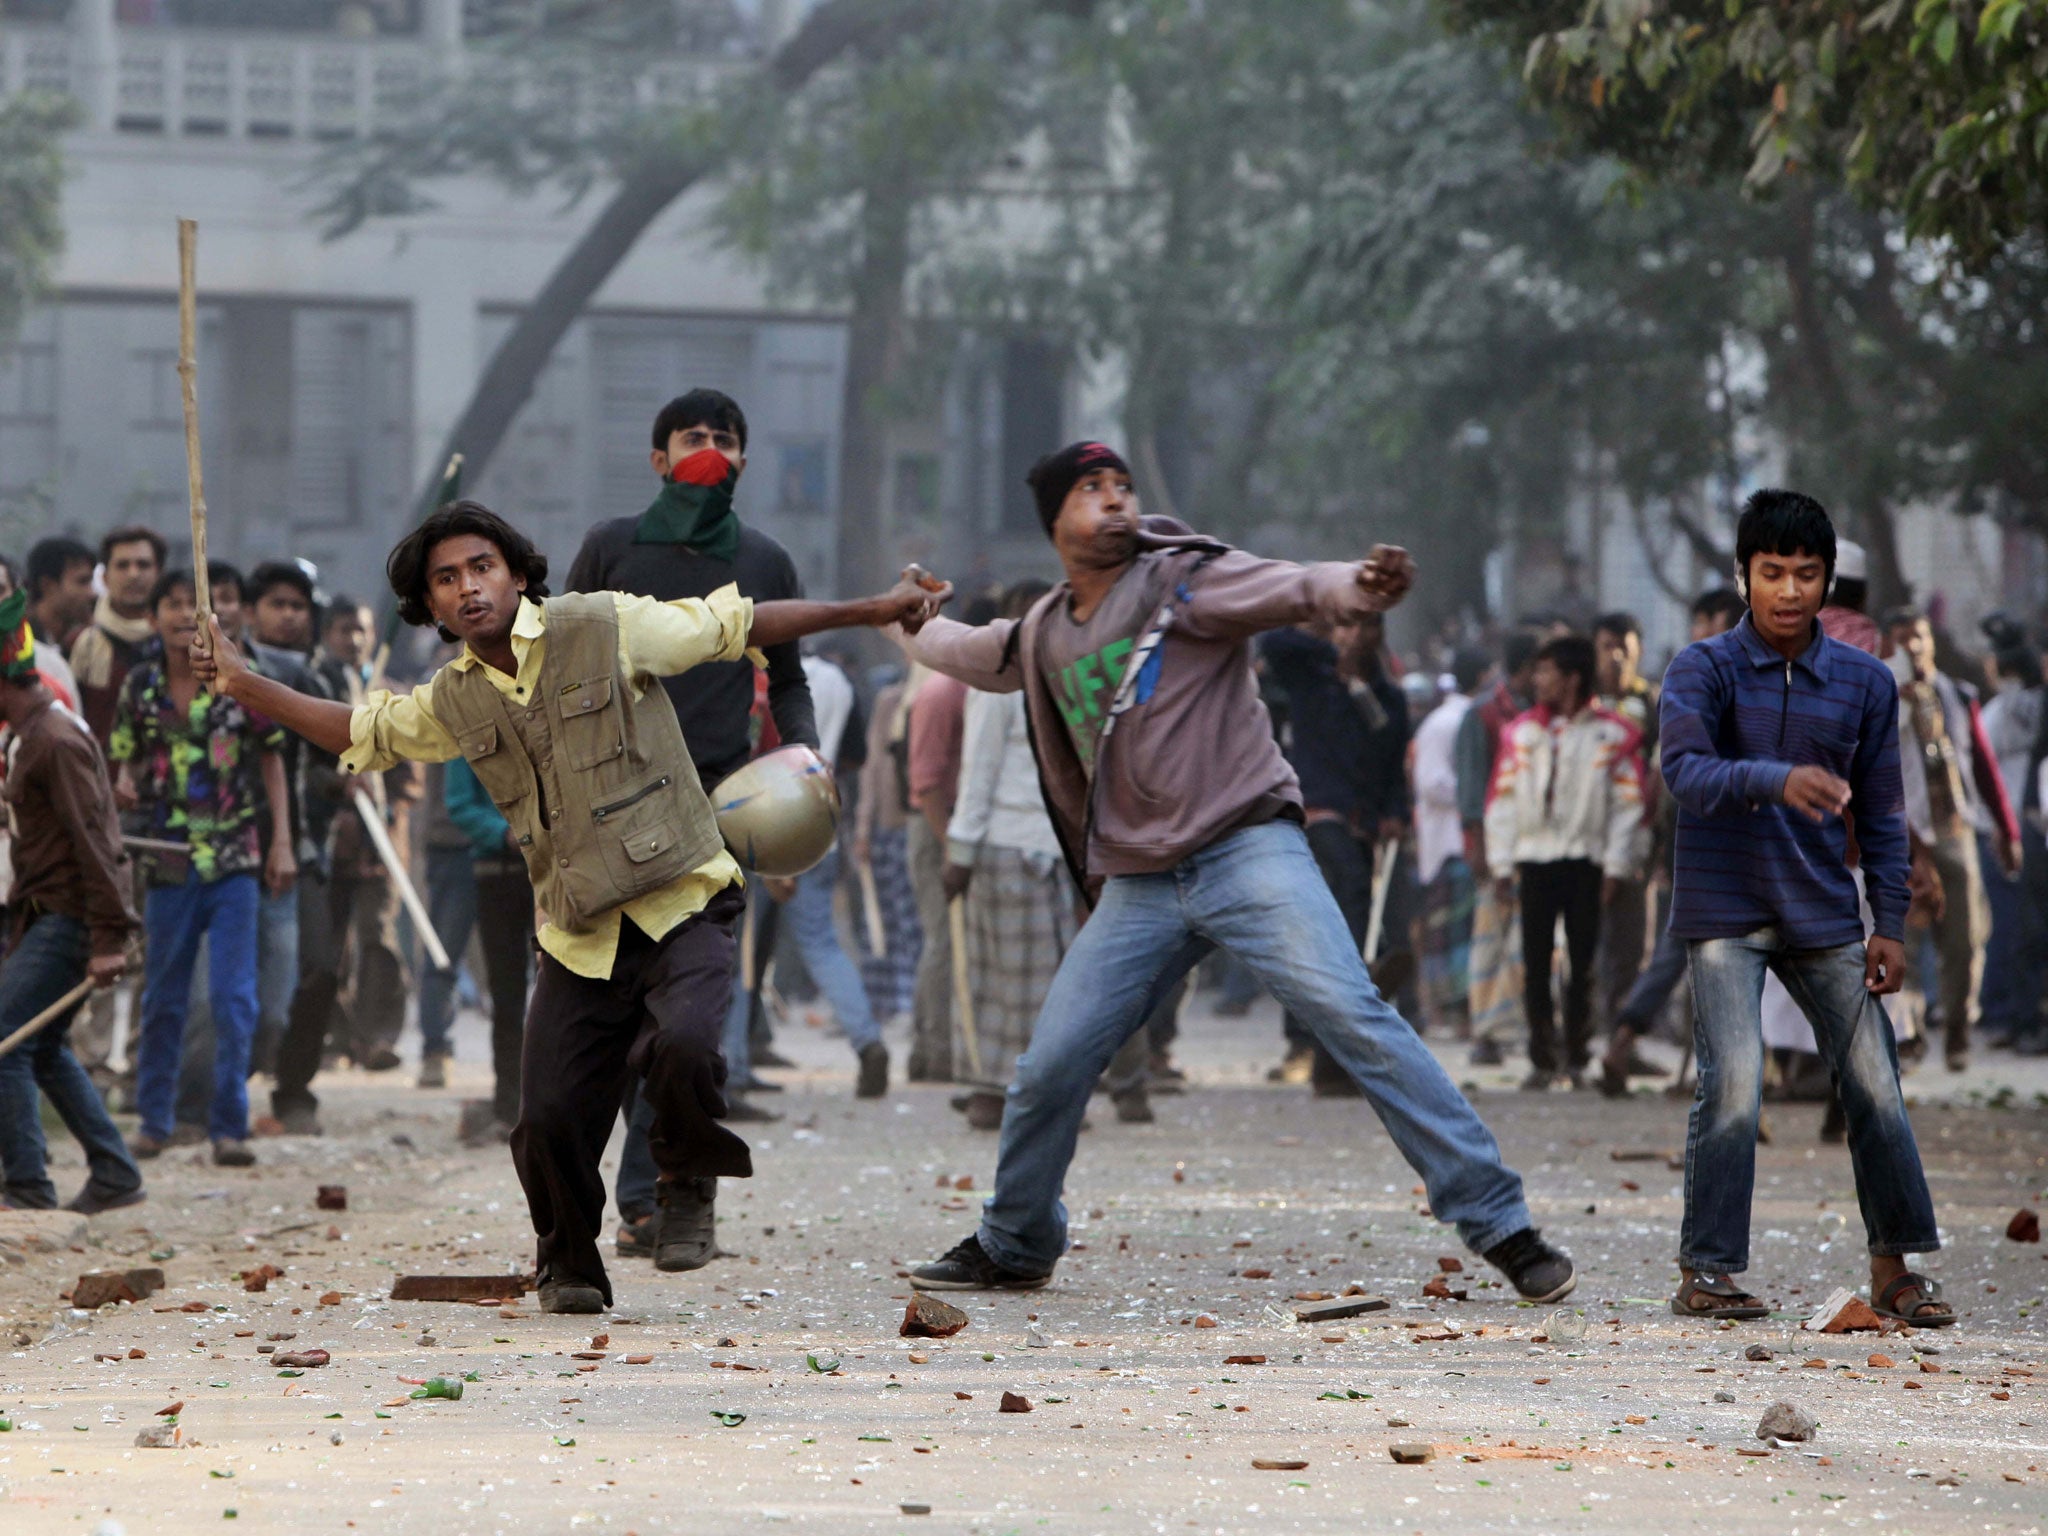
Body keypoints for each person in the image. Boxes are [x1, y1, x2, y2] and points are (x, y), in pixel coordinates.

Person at [190, 500, 946, 1312]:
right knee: (547, 1117)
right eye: (446, 580)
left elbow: (738, 623)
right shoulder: (452, 698)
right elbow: (358, 732)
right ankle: (570, 1262)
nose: (468, 588)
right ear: (431, 606)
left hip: (684, 893)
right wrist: (242, 682)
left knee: (687, 1045)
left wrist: (873, 610)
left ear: (517, 574)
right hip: (579, 929)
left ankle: (685, 1178)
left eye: (482, 567)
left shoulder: (605, 625)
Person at [894, 441, 1574, 1303]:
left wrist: (1357, 588)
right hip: (1141, 883)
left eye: (1123, 487)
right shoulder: (1041, 635)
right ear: (1054, 521)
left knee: (1353, 1014)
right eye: (1091, 490)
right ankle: (1018, 1239)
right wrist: (910, 619)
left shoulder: (1186, 583)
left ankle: (1501, 1224)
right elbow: (967, 648)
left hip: (1247, 847)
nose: (1114, 501)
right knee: (1050, 1066)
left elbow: (1291, 586)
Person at [1660, 489, 1948, 1326]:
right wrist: (1775, 780)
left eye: (1806, 575)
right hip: (1723, 910)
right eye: (1771, 572)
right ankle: (1707, 1271)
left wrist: (1888, 920)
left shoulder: (1865, 682)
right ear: (1743, 575)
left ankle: (1895, 1269)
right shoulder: (1700, 669)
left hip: (1824, 909)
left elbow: (1885, 814)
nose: (1788, 592)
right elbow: (1686, 773)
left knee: (1874, 1082)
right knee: (1736, 1083)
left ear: (1829, 583)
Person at [565, 388, 821, 1252]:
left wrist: (808, 763)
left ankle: (675, 1193)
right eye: (691, 436)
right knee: (618, 1008)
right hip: (607, 807)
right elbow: (556, 666)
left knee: (692, 1018)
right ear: (658, 460)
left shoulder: (766, 559)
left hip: (716, 809)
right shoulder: (609, 547)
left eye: (723, 438)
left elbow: (788, 680)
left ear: (743, 461)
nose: (708, 447)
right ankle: (632, 1195)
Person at [110, 570, 295, 1168]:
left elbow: (272, 765)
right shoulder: (139, 687)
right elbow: (121, 766)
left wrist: (282, 843)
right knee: (163, 996)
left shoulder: (237, 682)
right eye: (170, 603)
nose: (180, 613)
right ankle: (156, 1121)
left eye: (193, 603)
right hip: (167, 859)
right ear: (153, 616)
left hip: (234, 857)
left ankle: (228, 1126)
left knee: (233, 997)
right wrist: (126, 786)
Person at [0, 590, 146, 1215]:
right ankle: (114, 1172)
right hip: (48, 915)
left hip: (68, 919)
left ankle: (28, 1187)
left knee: (5, 1040)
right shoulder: (33, 737)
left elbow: (96, 841)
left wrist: (110, 935)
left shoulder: (54, 740)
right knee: (46, 1046)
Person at [718, 648, 890, 1095]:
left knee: (741, 949)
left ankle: (733, 1061)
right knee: (820, 943)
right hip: (818, 820)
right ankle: (866, 1038)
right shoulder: (837, 681)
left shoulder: (761, 683)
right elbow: (854, 755)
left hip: (766, 824)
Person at [1484, 634, 1648, 1090]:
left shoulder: (1612, 735)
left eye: (1547, 671)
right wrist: (1501, 864)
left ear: (1572, 678)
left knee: (1584, 961)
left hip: (1585, 861)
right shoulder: (1521, 733)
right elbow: (1502, 799)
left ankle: (1575, 1051)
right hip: (1534, 859)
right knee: (1535, 961)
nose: (1538, 679)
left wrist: (1615, 865)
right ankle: (1542, 1054)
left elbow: (1627, 807)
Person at [1260, 608, 1414, 1093]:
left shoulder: (1388, 698)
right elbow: (1273, 643)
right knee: (1345, 903)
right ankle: (1354, 990)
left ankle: (1340, 1046)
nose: (1351, 635)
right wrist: (1323, 631)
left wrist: (1395, 812)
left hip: (1366, 825)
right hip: (1315, 816)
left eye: (1361, 626)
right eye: (1344, 625)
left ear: (1378, 634)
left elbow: (1393, 766)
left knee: (1349, 930)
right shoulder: (1311, 679)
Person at [1599, 587, 1745, 1096]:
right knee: (1700, 947)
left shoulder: (1686, 681)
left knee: (1690, 946)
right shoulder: (1706, 680)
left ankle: (1637, 1040)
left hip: (1702, 831)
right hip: (1716, 831)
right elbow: (1669, 777)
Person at [1883, 606, 2018, 1071]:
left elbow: (1981, 763)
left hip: (1953, 829)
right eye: (1902, 641)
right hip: (1900, 835)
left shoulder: (1957, 695)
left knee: (1964, 938)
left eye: (1919, 638)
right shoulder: (1879, 696)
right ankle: (1909, 1034)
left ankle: (1958, 1027)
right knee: (1903, 938)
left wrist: (2006, 829)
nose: (1913, 648)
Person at [416, 755, 533, 1142]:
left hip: (550, 872)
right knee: (507, 994)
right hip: (495, 872)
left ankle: (555, 1103)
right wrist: (504, 834)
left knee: (564, 989)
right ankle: (509, 1106)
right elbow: (460, 803)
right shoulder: (468, 726)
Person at [1457, 629, 1540, 1065]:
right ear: (1525, 669)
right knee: (1490, 938)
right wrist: (1479, 847)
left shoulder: (1542, 714)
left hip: (1537, 841)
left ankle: (1527, 1028)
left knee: (1533, 940)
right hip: (1495, 841)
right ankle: (1486, 1032)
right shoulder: (1484, 714)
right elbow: (1471, 788)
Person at [1412, 648, 1491, 1038]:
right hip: (1452, 843)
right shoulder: (1452, 721)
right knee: (1454, 936)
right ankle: (1453, 1015)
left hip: (1458, 842)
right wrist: (1478, 795)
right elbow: (1431, 781)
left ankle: (1461, 1014)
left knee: (1457, 934)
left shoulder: (1448, 719)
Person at [1593, 611, 1657, 1049]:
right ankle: (1575, 1039)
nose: (1616, 656)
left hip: (1635, 837)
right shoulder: (1583, 701)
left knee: (1632, 945)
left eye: (1625, 647)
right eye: (1607, 646)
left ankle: (1620, 1039)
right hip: (1585, 839)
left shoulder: (1650, 702)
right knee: (1584, 942)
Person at [852, 670, 922, 1027]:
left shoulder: (934, 695)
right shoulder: (890, 702)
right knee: (883, 920)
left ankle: (912, 1003)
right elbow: (872, 768)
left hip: (920, 827)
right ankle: (885, 1004)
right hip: (890, 827)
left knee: (912, 923)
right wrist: (864, 827)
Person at [70, 526, 165, 744]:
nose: (133, 574)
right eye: (122, 565)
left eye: (143, 565)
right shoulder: (84, 644)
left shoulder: (181, 642)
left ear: (159, 573)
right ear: (104, 577)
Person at [23, 536, 93, 710]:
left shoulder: (82, 645)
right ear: (47, 585)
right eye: (82, 582)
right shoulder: (21, 649)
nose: (91, 593)